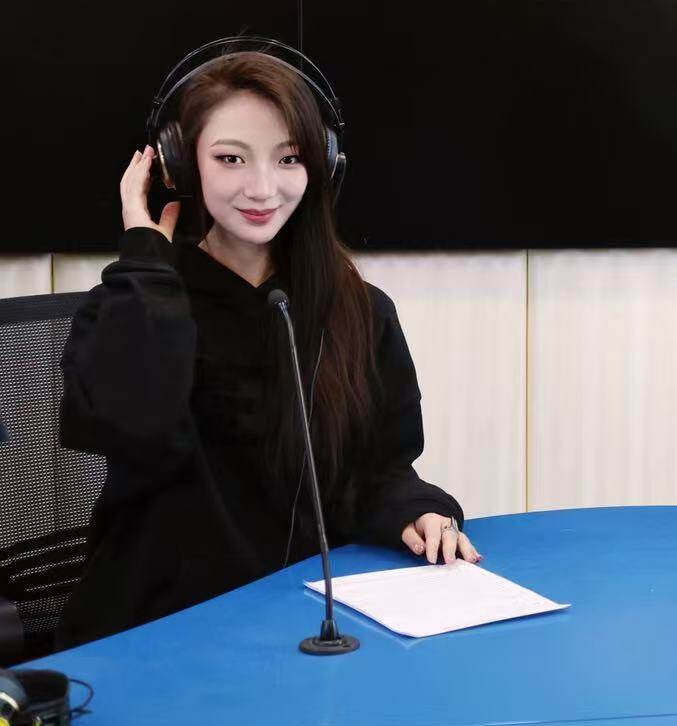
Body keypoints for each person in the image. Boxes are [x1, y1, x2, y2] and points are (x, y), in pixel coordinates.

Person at [59, 41, 476, 647]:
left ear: (322, 167)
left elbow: (376, 468)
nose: (262, 188)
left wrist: (415, 509)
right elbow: (130, 427)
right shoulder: (136, 302)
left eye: (288, 159)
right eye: (231, 158)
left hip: (309, 622)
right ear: (179, 166)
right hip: (162, 628)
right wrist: (146, 261)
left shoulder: (358, 311)